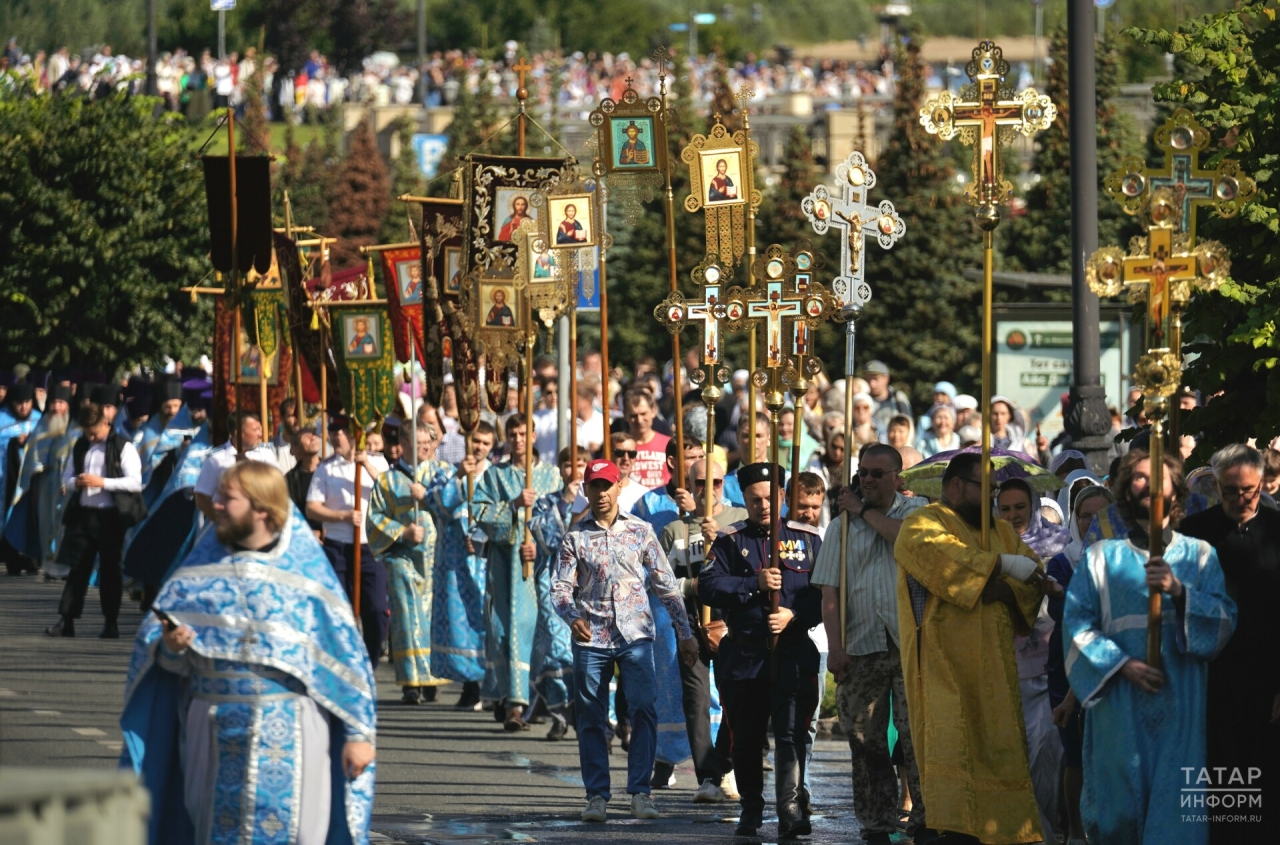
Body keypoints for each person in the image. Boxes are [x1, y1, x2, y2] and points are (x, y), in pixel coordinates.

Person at [121, 461, 376, 843]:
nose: (216, 504)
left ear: (263, 508)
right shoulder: (198, 570)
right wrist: (171, 649)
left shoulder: (308, 577)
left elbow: (345, 658)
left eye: (228, 498)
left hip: (291, 730)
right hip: (211, 733)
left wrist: (359, 734)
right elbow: (162, 659)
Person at [1064, 450, 1236, 845]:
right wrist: (1120, 664)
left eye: (1160, 479)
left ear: (1177, 493)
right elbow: (1076, 626)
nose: (1151, 486)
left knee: (1174, 818)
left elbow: (1224, 620)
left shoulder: (1199, 555)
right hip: (1118, 707)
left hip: (1179, 707)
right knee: (1117, 816)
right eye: (1140, 478)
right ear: (1126, 489)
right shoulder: (1099, 559)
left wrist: (1179, 591)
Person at [892, 451, 1049, 845]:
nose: (993, 498)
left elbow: (1034, 577)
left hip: (996, 668)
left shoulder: (1001, 530)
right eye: (986, 488)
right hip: (944, 667)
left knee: (999, 753)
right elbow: (946, 562)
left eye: (996, 490)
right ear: (957, 485)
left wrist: (998, 580)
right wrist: (1001, 569)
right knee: (953, 755)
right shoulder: (923, 522)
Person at [553, 458, 698, 823]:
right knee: (590, 716)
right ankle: (597, 796)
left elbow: (666, 585)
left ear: (619, 487)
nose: (601, 494)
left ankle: (640, 792)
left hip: (635, 635)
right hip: (592, 637)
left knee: (643, 710)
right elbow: (559, 589)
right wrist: (572, 618)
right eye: (594, 486)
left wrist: (685, 633)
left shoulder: (641, 531)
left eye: (607, 485)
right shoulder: (575, 537)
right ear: (585, 490)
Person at [699, 462, 823, 838]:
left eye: (771, 497)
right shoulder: (729, 541)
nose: (763, 505)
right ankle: (751, 808)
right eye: (755, 499)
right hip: (746, 655)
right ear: (745, 500)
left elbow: (826, 596)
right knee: (748, 738)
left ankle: (789, 807)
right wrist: (752, 583)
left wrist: (794, 615)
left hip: (791, 651)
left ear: (783, 496)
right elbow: (707, 586)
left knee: (790, 733)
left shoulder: (808, 539)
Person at [813, 444, 929, 844]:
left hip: (910, 642)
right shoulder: (839, 528)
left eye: (878, 473)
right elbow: (829, 592)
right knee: (865, 740)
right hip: (862, 644)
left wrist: (864, 511)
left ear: (898, 478)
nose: (868, 480)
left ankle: (926, 818)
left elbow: (906, 542)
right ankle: (876, 821)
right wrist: (836, 647)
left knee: (917, 736)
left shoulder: (917, 512)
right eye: (863, 473)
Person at [1179, 444, 1279, 845]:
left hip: (1269, 678)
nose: (1241, 500)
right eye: (1230, 492)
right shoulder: (1193, 533)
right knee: (1220, 783)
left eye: (1249, 491)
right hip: (1212, 676)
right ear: (1216, 486)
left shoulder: (1277, 529)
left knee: (1268, 782)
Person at [658, 458, 742, 805]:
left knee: (735, 697)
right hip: (691, 621)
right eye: (700, 483)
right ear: (688, 486)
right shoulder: (675, 530)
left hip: (731, 621)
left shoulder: (738, 522)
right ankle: (707, 776)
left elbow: (748, 571)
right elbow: (663, 584)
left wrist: (719, 540)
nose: (708, 490)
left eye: (717, 483)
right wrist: (694, 585)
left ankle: (726, 766)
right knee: (695, 701)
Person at [472, 413, 560, 729]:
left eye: (524, 434)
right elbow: (478, 511)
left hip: (541, 566)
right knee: (504, 629)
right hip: (505, 564)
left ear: (534, 435)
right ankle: (511, 696)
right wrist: (512, 506)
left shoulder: (551, 475)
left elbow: (561, 518)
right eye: (514, 434)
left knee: (537, 629)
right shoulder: (496, 476)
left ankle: (525, 702)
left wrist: (541, 543)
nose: (519, 440)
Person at [996, 478, 1069, 843]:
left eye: (1019, 508)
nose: (1012, 516)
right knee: (1014, 755)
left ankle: (1046, 829)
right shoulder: (988, 547)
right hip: (1003, 666)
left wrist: (1052, 591)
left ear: (1033, 507)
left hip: (1048, 665)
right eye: (1005, 509)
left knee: (1048, 754)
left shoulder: (1058, 546)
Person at [1045, 482, 1111, 845]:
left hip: (1113, 659)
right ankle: (1074, 830)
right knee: (1074, 752)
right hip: (1067, 658)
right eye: (1084, 516)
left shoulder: (1127, 555)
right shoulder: (1063, 559)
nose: (1091, 523)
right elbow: (1064, 613)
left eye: (1100, 516)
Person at [368, 423, 453, 704]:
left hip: (437, 557)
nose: (424, 447)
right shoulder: (387, 480)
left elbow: (456, 506)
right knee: (407, 617)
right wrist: (403, 532)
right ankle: (410, 682)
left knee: (433, 617)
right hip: (403, 558)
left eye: (428, 442)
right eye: (417, 443)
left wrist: (428, 497)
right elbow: (375, 518)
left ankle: (434, 677)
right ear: (403, 444)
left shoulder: (443, 474)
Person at [45, 402, 143, 639]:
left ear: (105, 423)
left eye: (94, 432)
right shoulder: (81, 445)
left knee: (111, 569)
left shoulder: (123, 446)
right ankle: (66, 620)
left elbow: (135, 482)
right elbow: (67, 477)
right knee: (77, 569)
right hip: (83, 515)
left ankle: (111, 622)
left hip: (111, 517)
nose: (91, 436)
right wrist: (75, 482)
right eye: (86, 432)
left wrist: (103, 483)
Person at [306, 419, 391, 668]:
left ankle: (370, 662)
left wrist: (365, 464)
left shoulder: (377, 462)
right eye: (332, 433)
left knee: (375, 610)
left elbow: (390, 493)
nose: (334, 438)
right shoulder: (326, 468)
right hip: (338, 546)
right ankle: (343, 662)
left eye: (340, 433)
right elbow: (312, 508)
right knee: (339, 608)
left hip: (370, 546)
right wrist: (341, 516)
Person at [427, 422, 495, 709]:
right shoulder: (446, 472)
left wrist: (483, 536)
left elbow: (504, 512)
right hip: (454, 560)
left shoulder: (496, 475)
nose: (479, 447)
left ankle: (491, 682)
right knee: (460, 623)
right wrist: (458, 477)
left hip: (485, 559)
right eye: (475, 441)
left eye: (485, 443)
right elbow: (436, 505)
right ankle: (469, 684)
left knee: (486, 618)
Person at [528, 446, 588, 740]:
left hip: (587, 584)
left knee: (585, 645)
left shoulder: (597, 499)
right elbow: (549, 540)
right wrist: (567, 501)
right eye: (568, 465)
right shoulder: (547, 502)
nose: (574, 471)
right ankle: (559, 712)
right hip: (553, 582)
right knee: (555, 643)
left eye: (580, 464)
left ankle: (584, 711)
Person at [2, 383, 72, 574]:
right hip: (44, 481)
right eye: (53, 403)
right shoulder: (43, 424)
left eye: (61, 403)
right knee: (46, 524)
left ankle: (64, 567)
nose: (56, 407)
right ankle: (49, 565)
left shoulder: (73, 425)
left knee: (63, 523)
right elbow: (34, 454)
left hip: (67, 482)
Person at [192, 412, 279, 522]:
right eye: (255, 430)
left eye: (260, 429)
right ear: (239, 433)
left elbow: (278, 486)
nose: (260, 434)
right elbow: (202, 498)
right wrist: (220, 522)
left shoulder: (267, 454)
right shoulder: (216, 459)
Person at [0, 381, 41, 536]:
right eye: (19, 403)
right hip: (3, 478)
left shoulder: (39, 419)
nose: (23, 407)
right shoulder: (1, 418)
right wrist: (13, 442)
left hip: (29, 480)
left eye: (27, 402)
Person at [623, 388, 670, 489]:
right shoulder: (619, 448)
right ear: (625, 415)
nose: (639, 420)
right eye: (633, 416)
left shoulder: (668, 444)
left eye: (643, 414)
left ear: (653, 411)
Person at [285, 426, 324, 535]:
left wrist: (323, 532)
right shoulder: (290, 479)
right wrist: (309, 533)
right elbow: (291, 513)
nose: (313, 438)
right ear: (295, 449)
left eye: (314, 435)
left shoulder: (330, 471)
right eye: (307, 437)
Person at [864, 360, 911, 434]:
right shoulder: (863, 401)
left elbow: (909, 425)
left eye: (876, 379)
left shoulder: (898, 399)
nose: (872, 384)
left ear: (886, 379)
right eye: (868, 379)